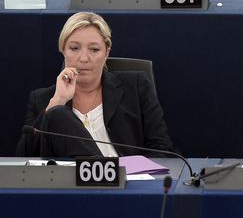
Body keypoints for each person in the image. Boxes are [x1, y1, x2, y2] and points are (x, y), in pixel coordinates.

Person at [16, 12, 174, 157]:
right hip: (72, 185)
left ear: (106, 53)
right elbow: (23, 160)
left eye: (94, 49)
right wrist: (57, 101)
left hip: (129, 180)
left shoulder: (136, 86)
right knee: (57, 113)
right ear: (63, 50)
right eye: (74, 48)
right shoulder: (42, 99)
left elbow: (161, 149)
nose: (84, 58)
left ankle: (105, 171)